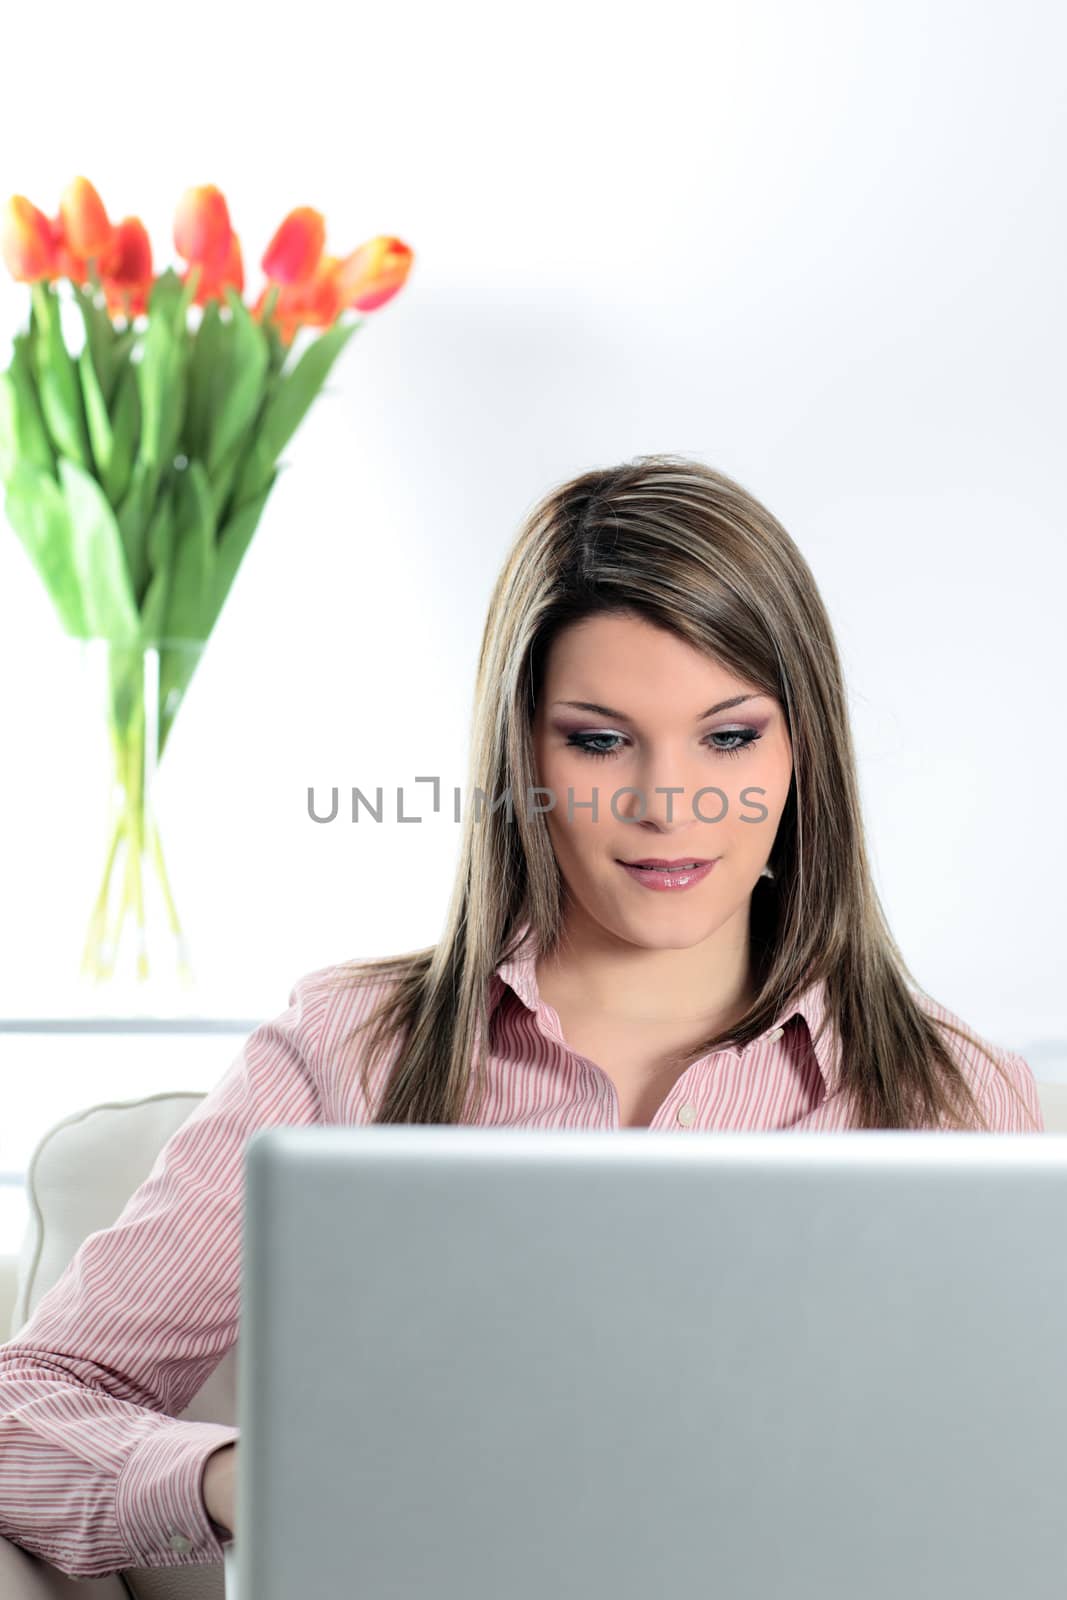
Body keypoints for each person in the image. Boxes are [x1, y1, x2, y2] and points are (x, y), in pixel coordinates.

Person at [0, 455, 1043, 1579]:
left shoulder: (955, 1095)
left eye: (728, 737)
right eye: (597, 740)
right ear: (520, 754)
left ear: (803, 754)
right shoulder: (347, 1053)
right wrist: (246, 1476)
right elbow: (30, 1410)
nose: (666, 803)